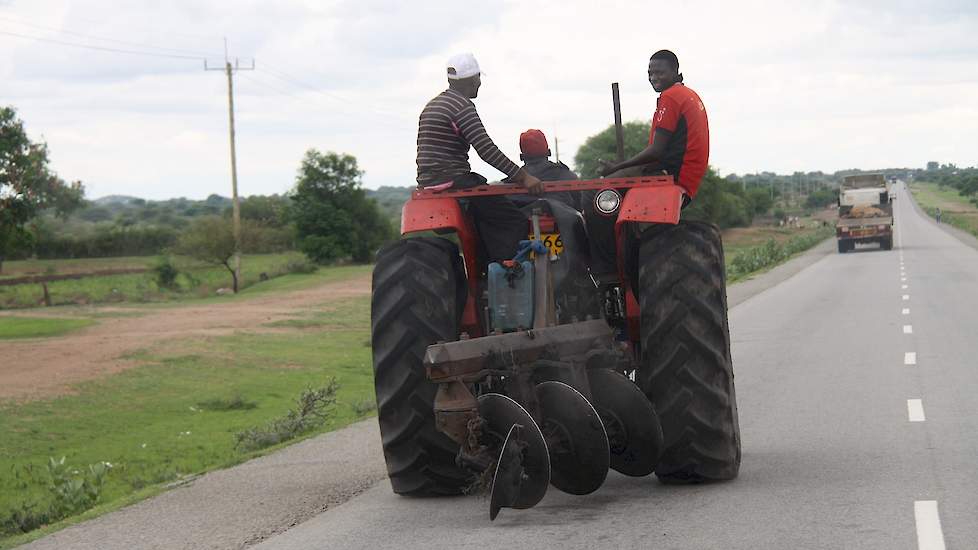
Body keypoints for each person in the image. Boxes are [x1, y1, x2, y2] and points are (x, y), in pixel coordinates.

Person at [587, 49, 710, 273]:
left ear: (675, 71)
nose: (654, 78)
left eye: (660, 72)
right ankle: (627, 250)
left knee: (595, 195)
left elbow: (656, 151)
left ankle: (604, 266)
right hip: (685, 174)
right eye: (650, 73)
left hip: (668, 173)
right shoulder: (689, 95)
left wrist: (617, 167)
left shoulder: (671, 96)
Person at [416, 53, 543, 263]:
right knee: (512, 219)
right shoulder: (461, 106)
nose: (480, 83)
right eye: (478, 78)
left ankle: (484, 268)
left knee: (483, 213)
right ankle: (510, 274)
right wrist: (524, 177)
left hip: (429, 181)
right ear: (471, 79)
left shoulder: (434, 104)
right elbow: (486, 150)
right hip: (453, 179)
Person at [512, 129, 579, 209]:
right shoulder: (569, 176)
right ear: (547, 151)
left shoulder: (510, 182)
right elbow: (579, 207)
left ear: (522, 156)